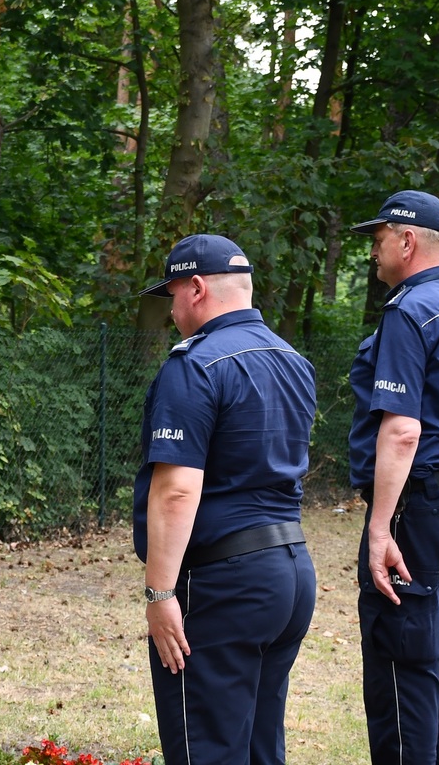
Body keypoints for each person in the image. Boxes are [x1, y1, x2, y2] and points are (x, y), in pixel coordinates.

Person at [133, 234, 318, 765]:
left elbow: (176, 490)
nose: (170, 311)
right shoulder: (292, 362)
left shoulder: (194, 366)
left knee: (206, 749)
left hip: (222, 585)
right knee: (261, 747)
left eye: (171, 295)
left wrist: (159, 594)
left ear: (195, 288)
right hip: (290, 573)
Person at [347, 190, 439, 765]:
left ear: (407, 241)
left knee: (399, 660)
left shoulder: (409, 310)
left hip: (421, 501)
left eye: (379, 239)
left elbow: (402, 429)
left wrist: (382, 527)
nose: (374, 253)